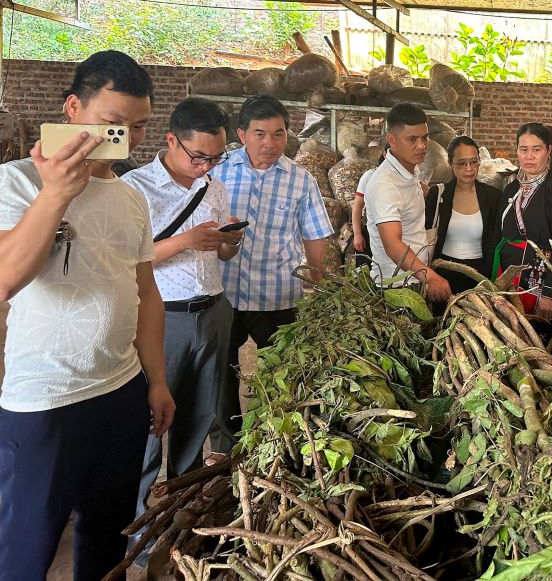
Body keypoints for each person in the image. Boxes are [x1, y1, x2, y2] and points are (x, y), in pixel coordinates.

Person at [0, 50, 174, 580]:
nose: (128, 139)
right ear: (73, 108)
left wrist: (156, 379)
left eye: (139, 126)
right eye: (114, 124)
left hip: (120, 390)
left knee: (107, 534)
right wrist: (56, 194)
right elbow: (5, 278)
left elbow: (145, 292)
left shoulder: (131, 198)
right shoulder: (19, 181)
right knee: (26, 547)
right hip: (46, 399)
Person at [120, 98, 243, 539]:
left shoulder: (213, 186)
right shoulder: (134, 188)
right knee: (150, 422)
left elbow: (221, 254)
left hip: (212, 310)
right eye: (199, 156)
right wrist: (185, 241)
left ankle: (180, 509)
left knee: (198, 416)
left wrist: (229, 241)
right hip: (162, 318)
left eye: (217, 157)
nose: (207, 165)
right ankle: (137, 523)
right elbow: (125, 258)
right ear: (172, 140)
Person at [211, 94, 333, 453]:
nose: (270, 143)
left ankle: (272, 442)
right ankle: (225, 447)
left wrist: (320, 286)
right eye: (260, 134)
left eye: (278, 134)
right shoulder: (218, 172)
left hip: (278, 295)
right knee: (220, 373)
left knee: (279, 373)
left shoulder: (301, 180)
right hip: (223, 291)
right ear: (241, 134)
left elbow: (315, 235)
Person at [365, 103, 451, 301]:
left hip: (413, 279)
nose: (421, 146)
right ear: (391, 140)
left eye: (424, 137)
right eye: (412, 139)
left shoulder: (409, 170)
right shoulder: (385, 184)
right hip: (395, 288)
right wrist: (430, 277)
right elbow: (393, 245)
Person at [497, 122, 552, 318]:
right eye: (523, 149)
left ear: (549, 150)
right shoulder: (511, 188)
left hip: (541, 277)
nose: (529, 156)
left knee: (540, 329)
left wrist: (549, 292)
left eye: (536, 149)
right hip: (509, 276)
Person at [425, 136, 502, 295]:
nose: (469, 168)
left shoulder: (493, 197)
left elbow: (496, 241)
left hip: (480, 278)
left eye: (474, 162)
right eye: (461, 163)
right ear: (450, 163)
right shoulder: (438, 194)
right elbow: (425, 235)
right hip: (443, 276)